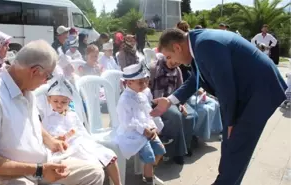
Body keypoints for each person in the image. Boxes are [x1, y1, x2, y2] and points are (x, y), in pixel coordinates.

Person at [150, 28, 287, 185]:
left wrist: (230, 121)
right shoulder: (196, 44)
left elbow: (225, 87)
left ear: (177, 47)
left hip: (260, 90)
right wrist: (170, 100)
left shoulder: (206, 45)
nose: (172, 62)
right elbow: (198, 78)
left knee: (237, 145)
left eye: (169, 56)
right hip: (247, 90)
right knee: (230, 145)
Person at [0, 40, 105, 185]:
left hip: (39, 166)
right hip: (3, 176)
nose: (46, 82)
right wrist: (38, 170)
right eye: (48, 76)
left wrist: (51, 141)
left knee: (94, 173)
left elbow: (31, 121)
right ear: (34, 71)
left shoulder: (26, 89)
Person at [40, 75, 122, 185]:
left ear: (69, 101)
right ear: (49, 100)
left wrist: (78, 139)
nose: (59, 104)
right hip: (63, 151)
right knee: (91, 167)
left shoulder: (72, 115)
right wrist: (56, 139)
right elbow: (45, 137)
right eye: (55, 101)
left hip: (80, 144)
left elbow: (81, 132)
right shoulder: (46, 118)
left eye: (63, 102)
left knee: (109, 155)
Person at [116, 63, 166, 185]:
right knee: (149, 157)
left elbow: (148, 113)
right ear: (129, 83)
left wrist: (153, 127)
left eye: (145, 82)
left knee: (161, 150)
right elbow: (127, 122)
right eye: (140, 82)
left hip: (147, 130)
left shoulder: (142, 95)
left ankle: (150, 173)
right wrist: (144, 130)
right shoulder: (124, 100)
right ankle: (149, 180)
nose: (144, 85)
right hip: (132, 133)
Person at [149, 54, 198, 163]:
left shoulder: (178, 71)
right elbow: (146, 90)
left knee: (191, 115)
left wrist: (182, 105)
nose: (176, 64)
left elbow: (180, 90)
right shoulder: (154, 69)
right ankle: (177, 153)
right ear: (168, 56)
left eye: (178, 62)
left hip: (173, 101)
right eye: (174, 61)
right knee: (176, 116)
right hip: (156, 102)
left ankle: (186, 146)